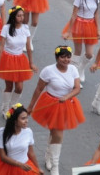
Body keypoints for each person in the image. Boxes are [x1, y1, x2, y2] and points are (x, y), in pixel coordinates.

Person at [27, 45, 83, 173]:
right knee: (57, 133)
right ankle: (55, 165)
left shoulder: (73, 69)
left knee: (56, 133)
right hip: (51, 103)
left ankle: (49, 156)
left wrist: (67, 96)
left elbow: (77, 88)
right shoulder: (48, 71)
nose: (66, 60)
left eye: (68, 57)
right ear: (57, 57)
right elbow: (38, 89)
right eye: (63, 57)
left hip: (66, 104)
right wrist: (31, 106)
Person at [0, 6, 36, 117]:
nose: (22, 18)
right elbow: (1, 47)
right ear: (13, 17)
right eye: (19, 16)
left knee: (19, 87)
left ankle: (13, 106)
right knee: (9, 86)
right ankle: (6, 108)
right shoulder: (6, 28)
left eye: (22, 15)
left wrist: (31, 63)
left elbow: (28, 47)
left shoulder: (25, 28)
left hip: (20, 59)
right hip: (8, 59)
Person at [0, 104, 40, 174]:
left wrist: (38, 168)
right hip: (7, 167)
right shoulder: (2, 132)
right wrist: (19, 164)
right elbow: (2, 156)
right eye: (23, 118)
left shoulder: (28, 131)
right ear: (15, 121)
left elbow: (31, 153)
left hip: (25, 167)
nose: (26, 121)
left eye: (27, 118)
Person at [67, 0, 100, 83]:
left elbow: (96, 14)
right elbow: (74, 15)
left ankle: (81, 68)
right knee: (78, 51)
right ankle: (74, 76)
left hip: (90, 25)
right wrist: (68, 31)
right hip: (79, 24)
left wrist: (98, 30)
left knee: (89, 54)